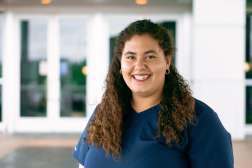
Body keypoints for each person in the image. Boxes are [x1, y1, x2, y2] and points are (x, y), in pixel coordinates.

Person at [73, 19, 234, 168]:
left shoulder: (199, 119)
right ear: (120, 64)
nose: (139, 66)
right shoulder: (104, 112)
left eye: (150, 57)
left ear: (167, 62)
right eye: (130, 57)